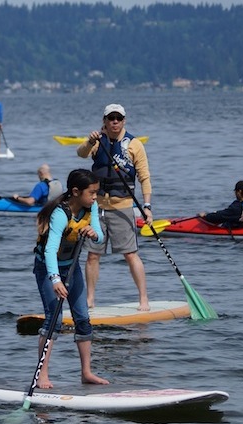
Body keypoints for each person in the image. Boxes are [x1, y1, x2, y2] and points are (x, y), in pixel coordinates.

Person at [33, 168, 111, 388]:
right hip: (49, 269)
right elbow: (50, 251)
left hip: (72, 267)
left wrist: (94, 234)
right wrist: (55, 280)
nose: (95, 197)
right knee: (53, 321)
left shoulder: (91, 207)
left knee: (83, 319)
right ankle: (42, 375)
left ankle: (86, 372)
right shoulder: (60, 214)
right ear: (76, 192)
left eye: (97, 192)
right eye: (92, 193)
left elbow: (100, 236)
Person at [77, 103, 151, 311]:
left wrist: (147, 206)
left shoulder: (134, 145)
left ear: (124, 120)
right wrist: (89, 140)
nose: (115, 122)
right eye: (111, 118)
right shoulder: (97, 141)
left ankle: (143, 299)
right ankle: (90, 299)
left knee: (130, 254)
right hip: (97, 208)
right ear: (105, 121)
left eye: (119, 118)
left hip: (123, 206)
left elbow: (144, 177)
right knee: (92, 255)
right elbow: (81, 153)